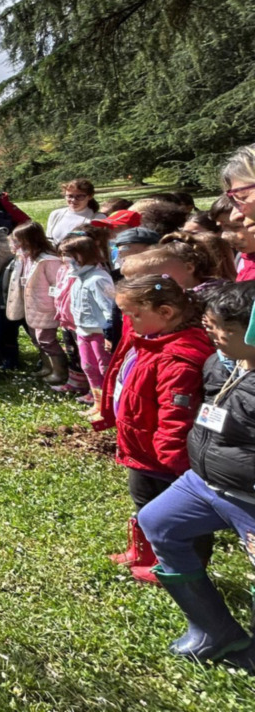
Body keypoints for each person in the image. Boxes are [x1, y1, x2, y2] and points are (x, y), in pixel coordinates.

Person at [134, 281, 255, 670]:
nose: (216, 334)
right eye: (213, 324)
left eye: (229, 329)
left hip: (248, 499)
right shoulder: (223, 362)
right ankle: (212, 629)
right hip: (203, 483)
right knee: (158, 522)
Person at [93, 275, 213, 583]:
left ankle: (185, 570)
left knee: (177, 517)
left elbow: (177, 416)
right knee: (143, 502)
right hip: (142, 450)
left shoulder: (178, 358)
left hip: (167, 460)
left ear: (166, 313)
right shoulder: (151, 340)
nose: (128, 322)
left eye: (134, 314)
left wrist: (175, 463)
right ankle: (145, 552)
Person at [58, 234, 117, 410]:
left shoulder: (98, 278)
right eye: (62, 254)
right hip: (82, 331)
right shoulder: (77, 277)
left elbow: (109, 309)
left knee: (104, 367)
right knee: (88, 366)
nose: (65, 259)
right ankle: (97, 402)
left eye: (68, 254)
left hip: (99, 333)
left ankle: (109, 404)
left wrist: (110, 334)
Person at [8, 222, 66, 384]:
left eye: (19, 240)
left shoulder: (48, 260)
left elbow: (57, 284)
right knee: (36, 338)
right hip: (31, 306)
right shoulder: (26, 257)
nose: (16, 244)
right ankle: (47, 367)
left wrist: (57, 306)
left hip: (45, 307)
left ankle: (60, 371)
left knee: (46, 339)